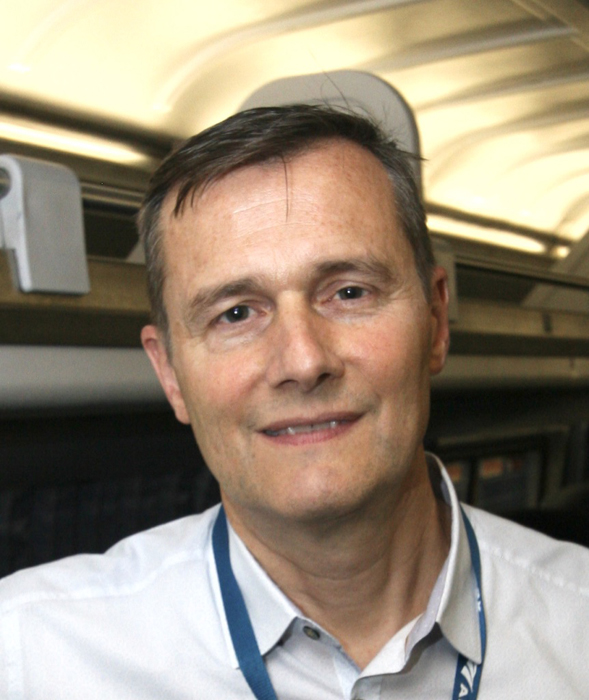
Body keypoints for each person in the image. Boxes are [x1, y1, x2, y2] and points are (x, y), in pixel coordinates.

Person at [1, 104, 588, 699]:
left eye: (349, 292)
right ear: (170, 372)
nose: (304, 362)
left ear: (435, 321)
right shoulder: (31, 654)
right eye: (236, 313)